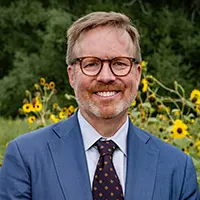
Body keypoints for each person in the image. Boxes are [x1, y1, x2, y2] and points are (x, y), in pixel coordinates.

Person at [0, 11, 199, 200]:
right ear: (72, 75)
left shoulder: (177, 168)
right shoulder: (26, 157)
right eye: (91, 63)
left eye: (120, 63)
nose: (106, 77)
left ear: (137, 74)